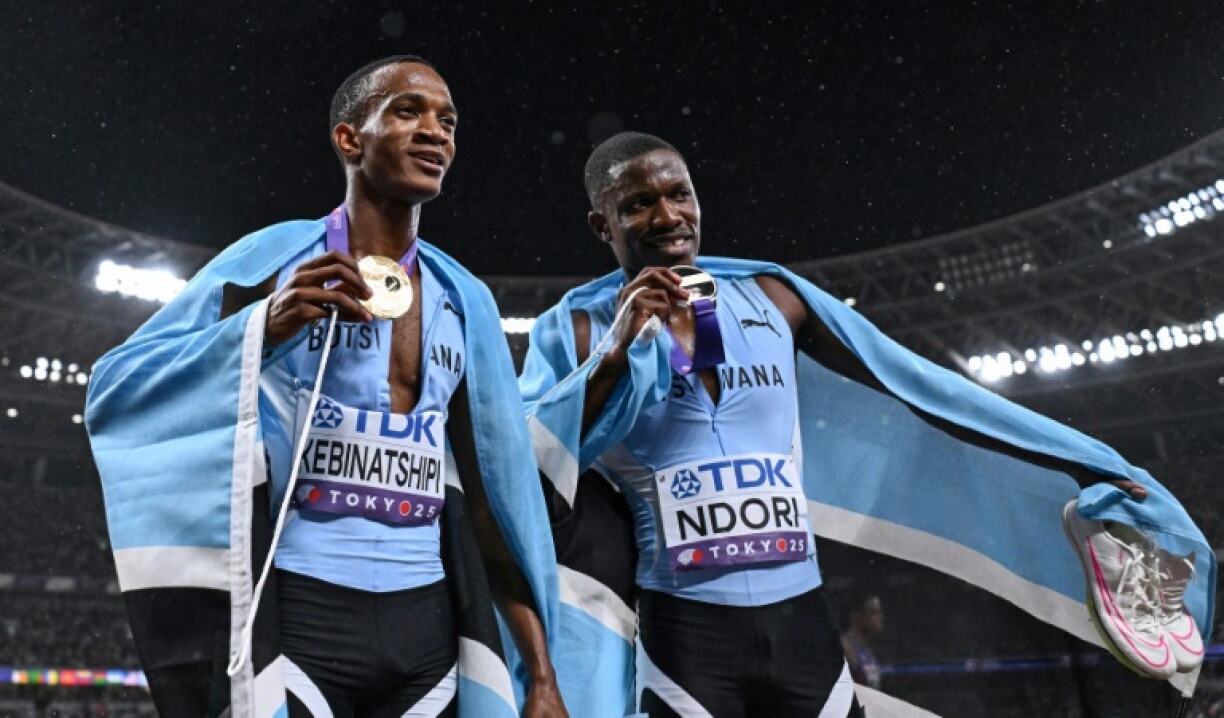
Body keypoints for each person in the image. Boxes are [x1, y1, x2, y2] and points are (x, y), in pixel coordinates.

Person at [518, 132, 1213, 717]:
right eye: (638, 204)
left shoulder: (774, 298)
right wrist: (616, 350)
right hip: (684, 641)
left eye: (680, 194)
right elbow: (525, 465)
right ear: (601, 225)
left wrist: (1076, 460)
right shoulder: (576, 329)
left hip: (803, 633)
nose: (668, 215)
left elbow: (923, 391)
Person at [86, 56, 567, 718]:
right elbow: (118, 388)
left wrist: (542, 673)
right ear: (350, 138)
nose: (436, 132)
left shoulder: (467, 301)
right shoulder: (267, 262)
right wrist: (259, 329)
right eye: (408, 111)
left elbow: (493, 499)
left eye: (448, 121)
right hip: (302, 616)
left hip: (427, 625)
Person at [841, 594, 885, 691]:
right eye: (873, 613)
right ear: (857, 616)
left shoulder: (869, 650)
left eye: (880, 612)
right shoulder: (846, 647)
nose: (880, 617)